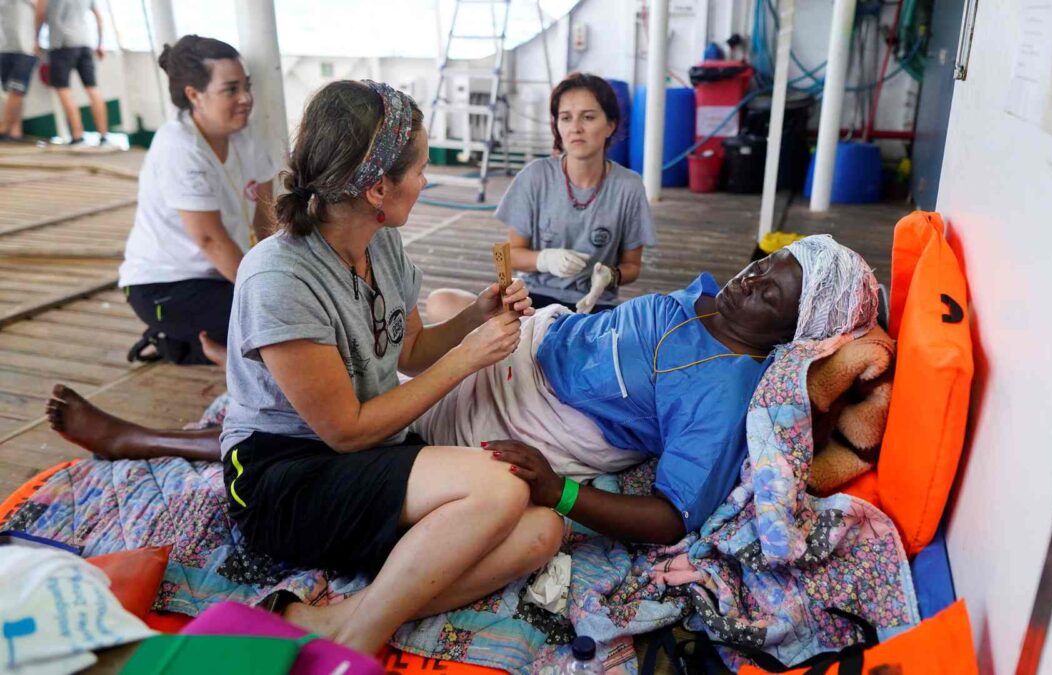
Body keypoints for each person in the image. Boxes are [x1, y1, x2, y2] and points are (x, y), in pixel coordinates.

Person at [48, 233, 873, 550]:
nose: (750, 280)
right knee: (435, 314)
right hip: (538, 345)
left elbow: (671, 518)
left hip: (543, 417)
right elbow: (602, 332)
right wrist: (514, 312)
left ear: (796, 331)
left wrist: (561, 490)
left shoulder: (723, 393)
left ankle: (152, 441)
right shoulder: (705, 300)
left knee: (365, 427)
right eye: (764, 263)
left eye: (773, 289)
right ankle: (267, 421)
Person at [425, 72, 655, 320]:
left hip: (592, 308)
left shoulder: (629, 186)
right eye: (566, 118)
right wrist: (544, 259)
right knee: (441, 302)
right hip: (532, 302)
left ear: (610, 125)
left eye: (588, 117)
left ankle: (530, 349)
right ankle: (535, 346)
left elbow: (632, 266)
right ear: (557, 125)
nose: (576, 128)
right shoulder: (535, 176)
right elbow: (511, 254)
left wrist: (610, 277)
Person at [118, 36, 277, 366]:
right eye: (231, 90)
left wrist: (283, 275)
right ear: (194, 95)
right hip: (167, 285)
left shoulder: (245, 134)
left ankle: (202, 343)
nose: (246, 98)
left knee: (295, 310)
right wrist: (268, 292)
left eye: (247, 87)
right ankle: (179, 343)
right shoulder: (179, 147)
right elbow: (209, 239)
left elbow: (266, 217)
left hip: (223, 274)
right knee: (277, 326)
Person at [35, 0, 108, 145]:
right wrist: (100, 43)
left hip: (61, 45)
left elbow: (40, 15)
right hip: (85, 43)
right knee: (92, 89)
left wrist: (35, 39)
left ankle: (77, 135)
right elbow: (99, 17)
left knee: (64, 91)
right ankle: (103, 135)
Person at [0, 0, 37, 142]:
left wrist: (37, 39)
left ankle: (4, 128)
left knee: (16, 90)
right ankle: (16, 131)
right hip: (4, 48)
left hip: (25, 49)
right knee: (12, 92)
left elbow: (40, 14)